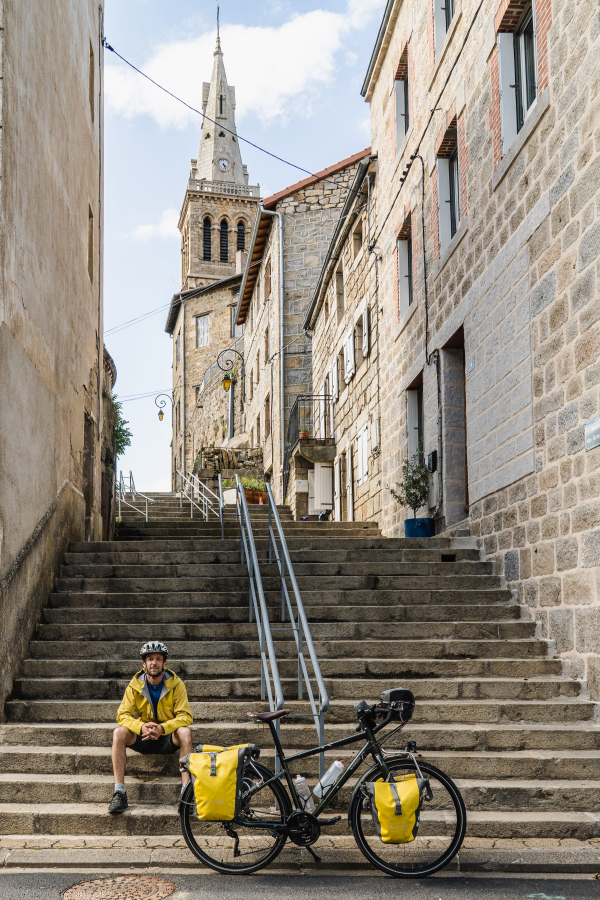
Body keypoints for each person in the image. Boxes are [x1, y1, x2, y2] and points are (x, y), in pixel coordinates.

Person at [109, 641, 193, 814]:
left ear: (164, 663)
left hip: (168, 737)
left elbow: (185, 716)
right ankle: (119, 792)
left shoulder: (177, 684)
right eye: (150, 659)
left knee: (185, 732)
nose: (154, 662)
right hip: (144, 737)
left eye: (158, 659)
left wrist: (163, 728)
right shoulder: (134, 685)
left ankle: (186, 793)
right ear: (144, 663)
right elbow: (122, 715)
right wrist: (141, 727)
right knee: (118, 732)